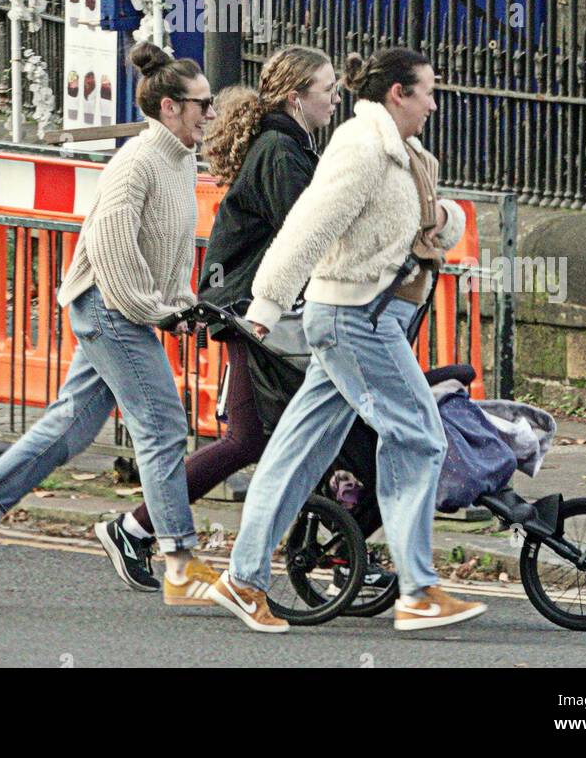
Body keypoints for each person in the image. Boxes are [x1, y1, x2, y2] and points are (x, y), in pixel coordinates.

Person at [206, 47, 489, 634]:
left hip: (357, 317)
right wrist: (265, 305)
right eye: (428, 91)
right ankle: (418, 590)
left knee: (296, 451)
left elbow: (421, 219)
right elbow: (309, 227)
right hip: (357, 318)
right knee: (417, 434)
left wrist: (446, 223)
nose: (435, 104)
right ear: (398, 95)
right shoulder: (362, 148)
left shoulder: (402, 155)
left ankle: (242, 578)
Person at [0, 43, 225, 607]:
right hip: (111, 307)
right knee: (163, 427)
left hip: (125, 306)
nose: (210, 114)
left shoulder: (180, 158)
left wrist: (181, 300)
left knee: (71, 428)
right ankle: (179, 560)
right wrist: (160, 310)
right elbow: (113, 253)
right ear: (170, 107)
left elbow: (163, 247)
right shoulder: (135, 164)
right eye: (203, 104)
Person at [97, 45, 340, 591]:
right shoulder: (281, 149)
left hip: (256, 310)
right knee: (255, 437)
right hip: (251, 313)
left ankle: (136, 528)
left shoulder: (289, 143)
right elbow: (308, 234)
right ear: (297, 97)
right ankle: (135, 528)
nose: (335, 98)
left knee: (265, 435)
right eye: (327, 88)